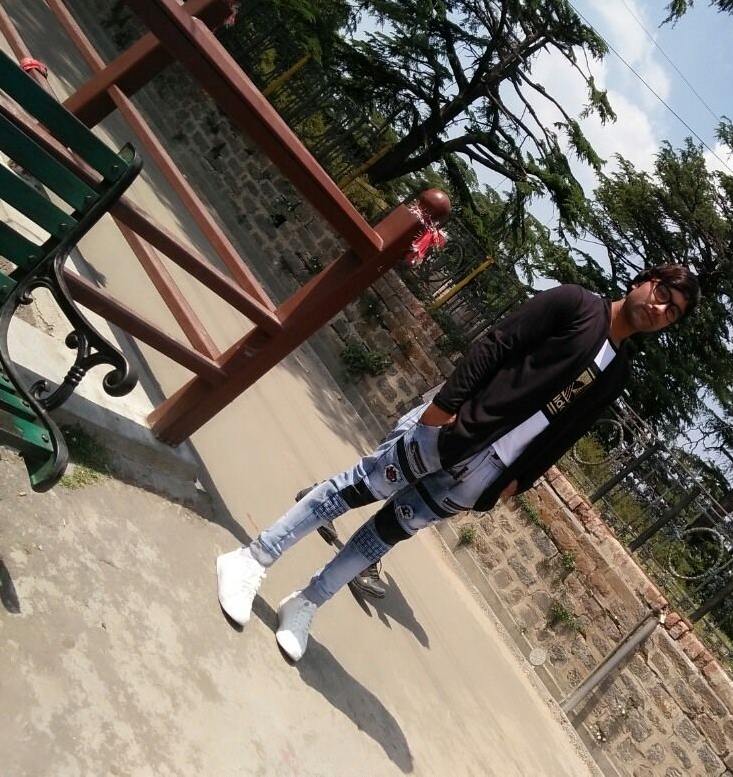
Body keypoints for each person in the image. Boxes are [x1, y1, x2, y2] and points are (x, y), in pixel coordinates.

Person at [216, 264, 700, 661]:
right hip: (453, 431)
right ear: (644, 281)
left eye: (672, 312)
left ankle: (307, 602)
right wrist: (445, 406)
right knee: (358, 486)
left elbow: (566, 434)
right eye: (662, 294)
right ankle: (252, 558)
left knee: (389, 531)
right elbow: (498, 343)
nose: (660, 309)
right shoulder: (576, 303)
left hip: (485, 473)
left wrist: (518, 482)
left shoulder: (617, 373)